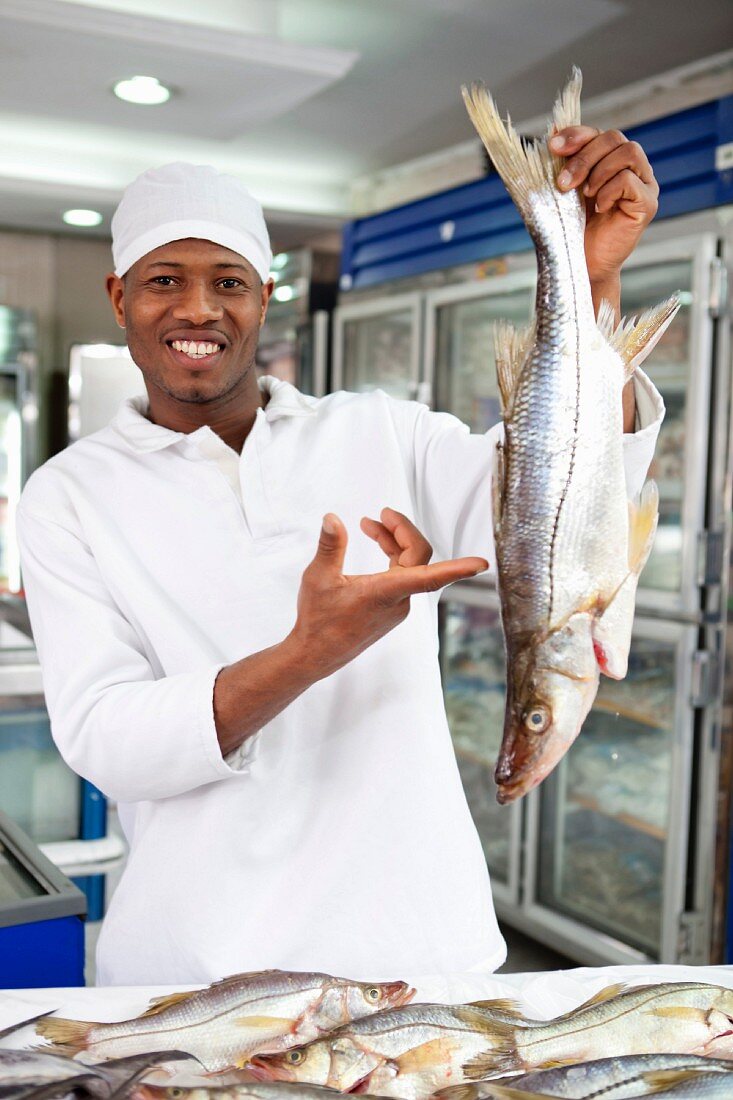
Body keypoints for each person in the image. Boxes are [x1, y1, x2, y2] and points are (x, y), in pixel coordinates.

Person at [17, 126, 663, 990]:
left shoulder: (382, 430)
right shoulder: (69, 496)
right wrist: (307, 651)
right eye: (165, 281)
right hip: (204, 975)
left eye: (229, 282)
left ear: (266, 296)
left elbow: (557, 509)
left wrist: (590, 287)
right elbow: (106, 738)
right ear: (119, 295)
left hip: (420, 950)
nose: (199, 310)